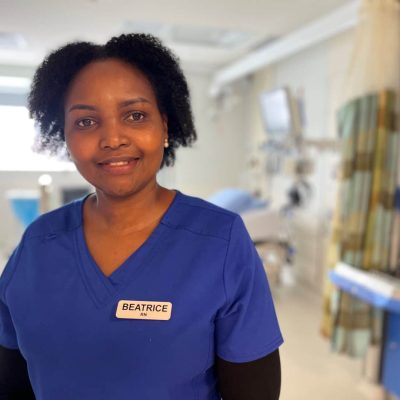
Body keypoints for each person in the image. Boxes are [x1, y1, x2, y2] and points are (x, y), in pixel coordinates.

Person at [0, 34, 283, 399]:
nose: (113, 138)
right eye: (86, 122)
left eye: (135, 115)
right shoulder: (38, 245)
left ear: (164, 126)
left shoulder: (221, 242)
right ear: (65, 136)